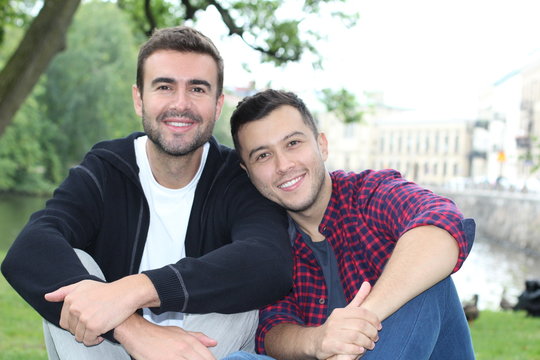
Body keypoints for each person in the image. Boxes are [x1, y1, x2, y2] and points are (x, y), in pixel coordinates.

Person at [1, 27, 293, 360]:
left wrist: (138, 290)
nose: (180, 104)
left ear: (217, 104)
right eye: (165, 86)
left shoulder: (236, 177)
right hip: (109, 350)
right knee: (72, 272)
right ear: (139, 98)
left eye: (197, 89)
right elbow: (29, 248)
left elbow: (270, 261)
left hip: (203, 345)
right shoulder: (108, 168)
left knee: (241, 284)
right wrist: (131, 328)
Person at [229, 89, 476, 359]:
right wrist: (321, 339)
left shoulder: (370, 194)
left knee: (427, 278)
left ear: (322, 145)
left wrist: (358, 325)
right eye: (263, 156)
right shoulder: (269, 239)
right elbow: (272, 331)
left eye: (293, 143)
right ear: (248, 172)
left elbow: (441, 223)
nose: (283, 164)